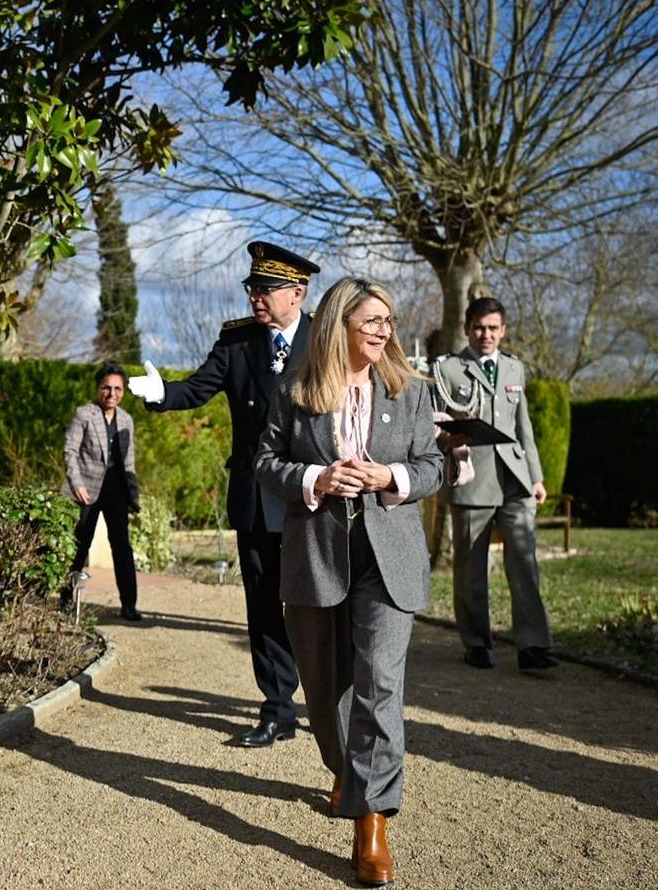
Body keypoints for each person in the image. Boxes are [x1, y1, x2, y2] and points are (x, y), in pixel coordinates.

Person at [254, 278, 442, 886]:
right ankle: (346, 771)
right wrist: (316, 478)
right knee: (326, 684)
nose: (384, 331)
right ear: (340, 325)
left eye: (388, 320)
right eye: (372, 321)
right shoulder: (295, 390)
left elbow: (434, 464)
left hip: (389, 554)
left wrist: (389, 474)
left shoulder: (408, 391)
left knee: (380, 683)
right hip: (317, 554)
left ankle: (372, 821)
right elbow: (264, 463)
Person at [127, 240, 318, 747]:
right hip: (257, 494)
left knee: (316, 604)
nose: (255, 296)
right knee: (263, 606)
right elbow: (199, 387)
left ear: (296, 293)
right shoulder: (237, 342)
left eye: (266, 288)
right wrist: (163, 393)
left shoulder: (326, 339)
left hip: (312, 496)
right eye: (252, 287)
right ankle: (278, 709)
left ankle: (327, 703)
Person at [431, 297, 558, 671]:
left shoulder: (515, 370)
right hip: (472, 478)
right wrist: (449, 443)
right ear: (468, 328)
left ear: (503, 331)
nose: (486, 335)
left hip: (515, 479)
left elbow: (524, 428)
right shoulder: (449, 369)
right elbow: (437, 424)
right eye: (479, 328)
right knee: (470, 568)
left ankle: (533, 646)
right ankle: (476, 642)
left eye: (493, 328)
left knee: (524, 562)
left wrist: (536, 476)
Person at [63, 363, 141, 620]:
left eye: (117, 388)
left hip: (116, 492)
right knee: (79, 545)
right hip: (86, 490)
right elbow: (70, 452)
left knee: (122, 546)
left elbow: (129, 462)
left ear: (123, 392)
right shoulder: (84, 414)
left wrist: (133, 496)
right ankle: (65, 601)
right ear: (98, 389)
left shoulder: (127, 420)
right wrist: (76, 484)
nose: (112, 393)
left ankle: (129, 604)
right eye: (106, 387)